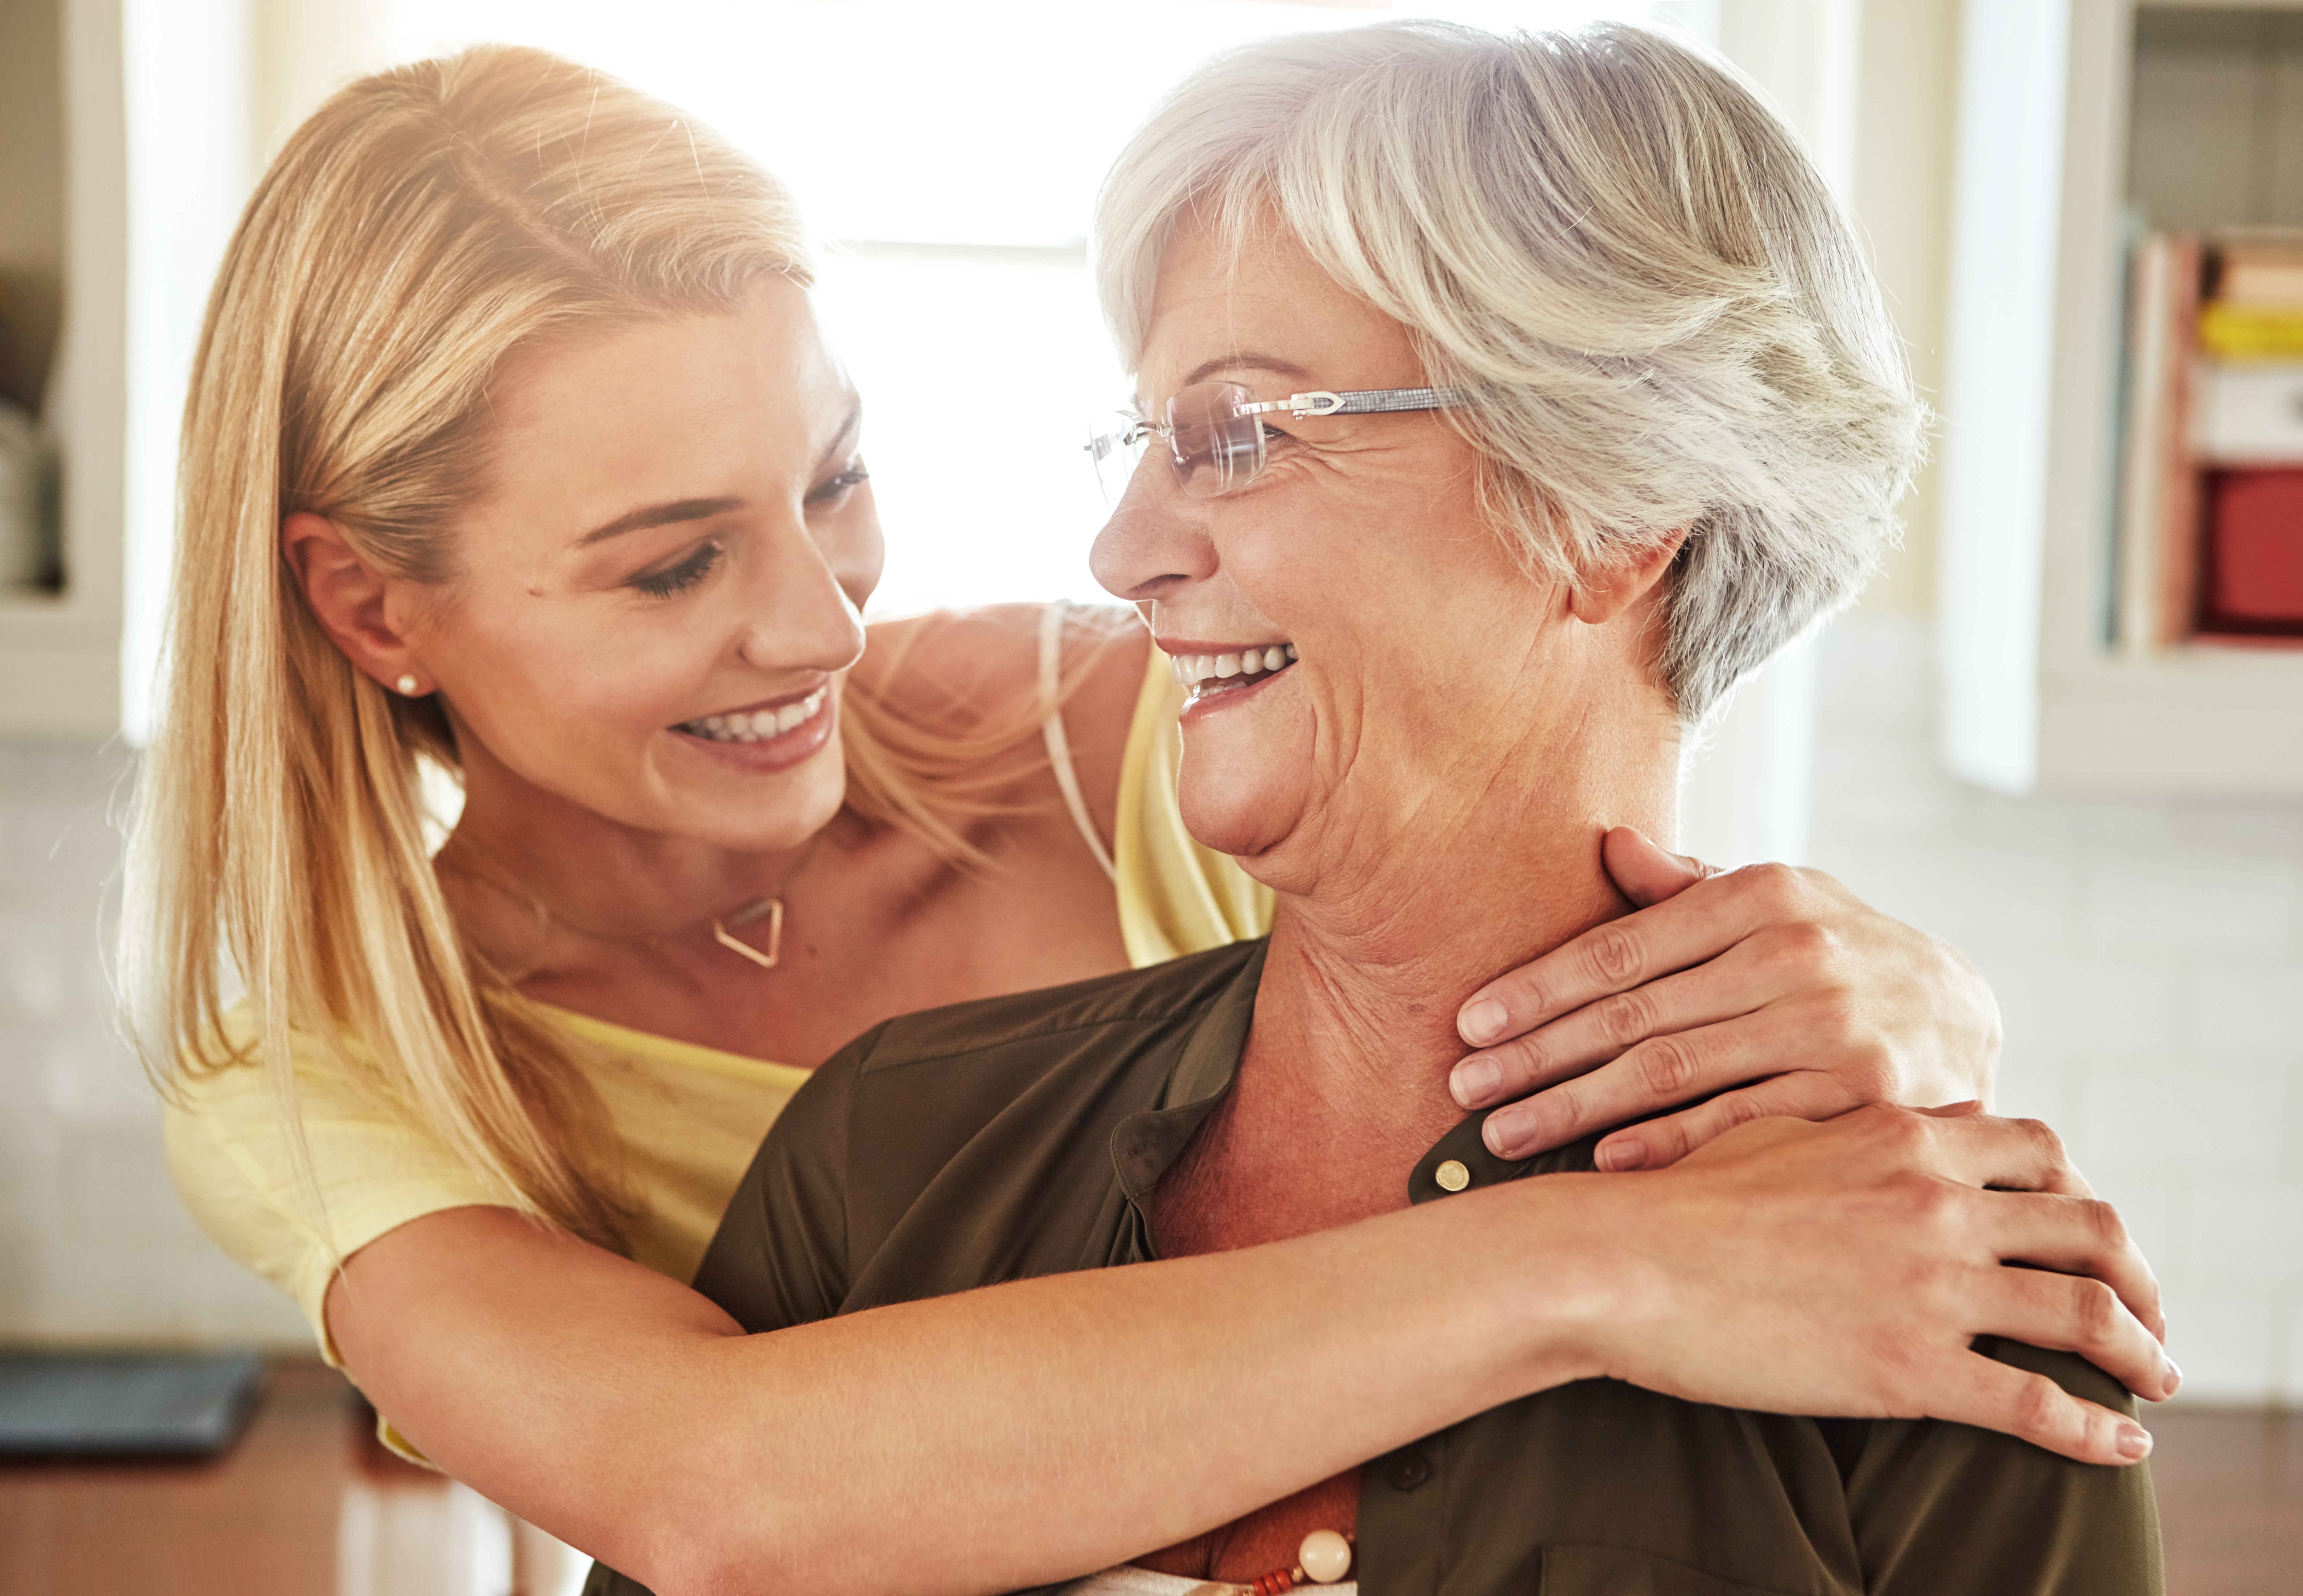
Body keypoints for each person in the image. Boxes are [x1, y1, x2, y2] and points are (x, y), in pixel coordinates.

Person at [130, 43, 2133, 1594]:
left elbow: (1469, 750)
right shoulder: (370, 1075)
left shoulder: (1109, 724)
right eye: (670, 566)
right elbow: (714, 1491)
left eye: (834, 482)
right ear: (373, 608)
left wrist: (1909, 1009)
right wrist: (1605, 1269)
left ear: (1610, 501)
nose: (821, 625)